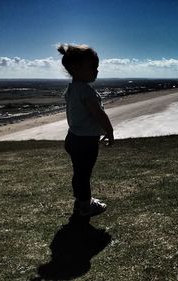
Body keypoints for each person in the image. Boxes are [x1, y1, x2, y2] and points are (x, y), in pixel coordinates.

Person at [57, 44, 114, 217]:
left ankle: (80, 200)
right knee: (84, 173)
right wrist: (109, 131)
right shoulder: (86, 91)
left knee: (79, 172)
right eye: (92, 67)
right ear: (76, 68)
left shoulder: (71, 89)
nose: (96, 71)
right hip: (85, 140)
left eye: (97, 68)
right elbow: (98, 113)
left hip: (73, 137)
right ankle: (85, 205)